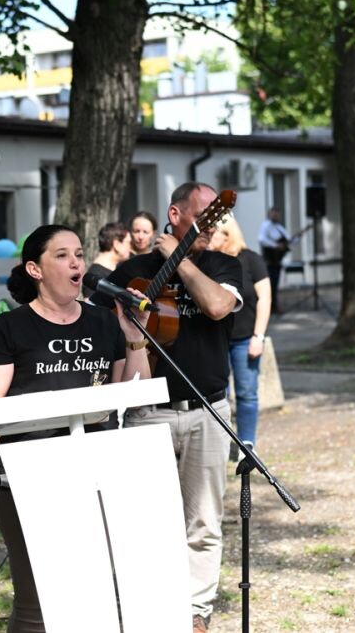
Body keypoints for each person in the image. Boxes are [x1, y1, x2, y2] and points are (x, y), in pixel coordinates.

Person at [0, 224, 151, 632]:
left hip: (97, 470)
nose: (76, 262)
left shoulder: (104, 322)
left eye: (80, 254)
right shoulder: (10, 328)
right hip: (30, 476)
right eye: (63, 255)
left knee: (97, 595)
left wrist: (134, 336)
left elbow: (131, 391)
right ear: (34, 269)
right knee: (38, 608)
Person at [93, 182, 243, 633]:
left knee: (203, 520)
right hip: (148, 411)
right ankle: (151, 609)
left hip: (208, 410)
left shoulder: (222, 264)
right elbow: (102, 326)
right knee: (147, 521)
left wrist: (180, 256)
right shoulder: (130, 270)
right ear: (175, 213)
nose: (212, 226)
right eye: (203, 216)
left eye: (216, 219)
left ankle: (195, 613)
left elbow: (217, 306)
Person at [210, 212, 271, 456]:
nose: (209, 236)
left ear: (227, 235)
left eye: (213, 232)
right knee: (217, 395)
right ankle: (219, 443)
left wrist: (259, 336)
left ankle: (247, 444)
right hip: (216, 339)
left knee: (246, 393)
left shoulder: (251, 260)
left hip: (245, 339)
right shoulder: (210, 262)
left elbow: (265, 299)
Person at [82, 221, 132, 296]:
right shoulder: (94, 276)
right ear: (117, 245)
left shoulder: (118, 268)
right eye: (129, 243)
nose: (130, 247)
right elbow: (91, 305)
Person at [257, 207, 291, 314]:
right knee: (269, 285)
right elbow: (261, 239)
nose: (276, 215)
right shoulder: (266, 225)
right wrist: (275, 246)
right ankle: (268, 307)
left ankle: (274, 306)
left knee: (275, 285)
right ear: (270, 214)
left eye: (278, 213)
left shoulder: (280, 228)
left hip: (277, 261)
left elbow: (289, 239)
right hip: (269, 261)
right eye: (274, 213)